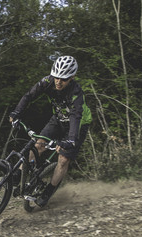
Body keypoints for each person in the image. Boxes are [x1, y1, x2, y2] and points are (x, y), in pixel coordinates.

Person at [9, 56, 92, 207]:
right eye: (56, 77)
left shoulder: (76, 92)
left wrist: (71, 140)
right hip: (58, 119)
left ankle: (49, 190)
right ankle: (18, 175)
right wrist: (16, 113)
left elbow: (76, 116)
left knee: (63, 159)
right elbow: (29, 96)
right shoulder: (47, 82)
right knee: (38, 145)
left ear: (72, 77)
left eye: (64, 79)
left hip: (78, 125)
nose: (58, 82)